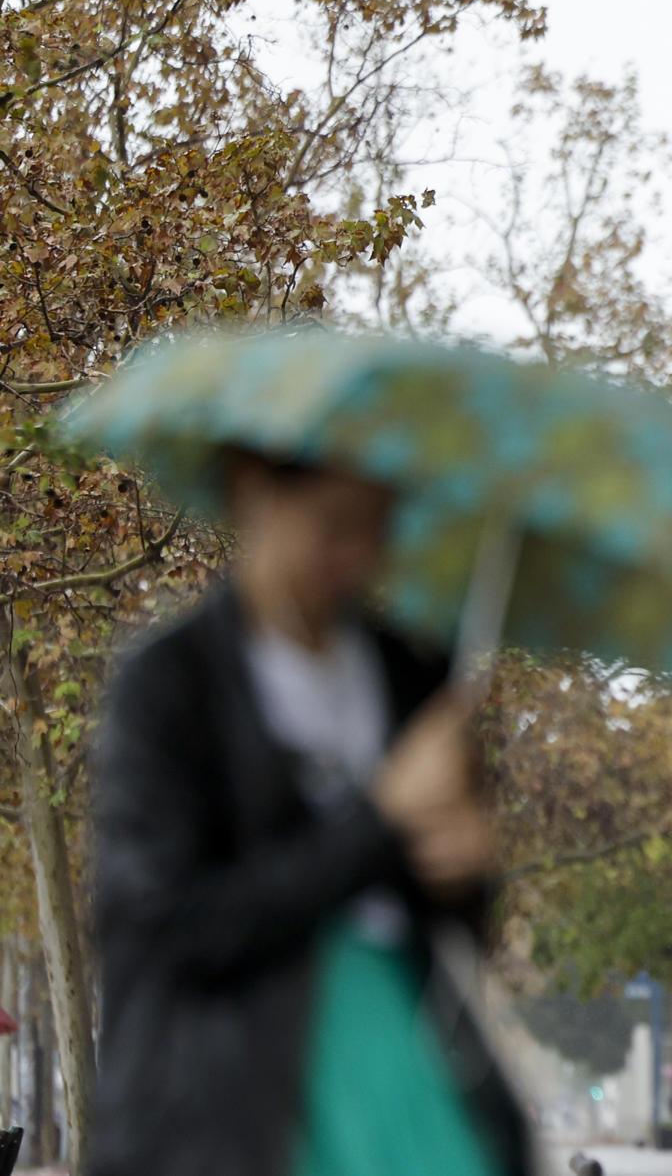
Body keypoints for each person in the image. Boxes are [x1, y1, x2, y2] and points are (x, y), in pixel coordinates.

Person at [89, 452, 529, 1176]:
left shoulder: (410, 672)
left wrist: (466, 871)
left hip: (401, 1052)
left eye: (377, 528)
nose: (356, 554)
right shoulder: (171, 685)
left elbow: (451, 921)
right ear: (253, 494)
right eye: (333, 525)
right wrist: (381, 814)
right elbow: (175, 923)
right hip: (229, 1078)